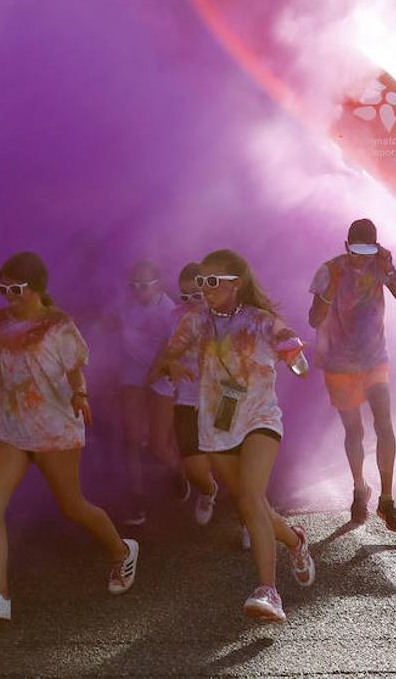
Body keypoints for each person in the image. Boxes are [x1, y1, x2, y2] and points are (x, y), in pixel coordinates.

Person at [0, 251, 138, 621]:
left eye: (15, 288)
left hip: (55, 427)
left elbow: (75, 370)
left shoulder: (59, 325)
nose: (8, 295)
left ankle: (122, 552)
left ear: (36, 289)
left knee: (72, 507)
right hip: (11, 428)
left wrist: (81, 395)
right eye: (2, 287)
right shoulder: (0, 320)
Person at [152, 249, 314, 622]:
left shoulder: (262, 321)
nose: (204, 289)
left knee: (252, 496)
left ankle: (268, 591)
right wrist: (172, 363)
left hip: (259, 418)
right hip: (218, 424)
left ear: (235, 284)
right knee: (246, 502)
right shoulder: (195, 322)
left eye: (212, 282)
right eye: (201, 282)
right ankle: (295, 540)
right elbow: (167, 354)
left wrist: (295, 358)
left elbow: (298, 361)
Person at [308, 219, 396, 532]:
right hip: (339, 364)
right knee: (354, 432)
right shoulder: (329, 270)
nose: (362, 257)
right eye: (356, 250)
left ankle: (388, 500)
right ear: (346, 246)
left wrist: (390, 268)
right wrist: (328, 292)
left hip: (375, 359)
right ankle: (359, 489)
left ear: (376, 247)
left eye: (369, 250)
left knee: (384, 424)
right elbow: (313, 319)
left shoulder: (380, 267)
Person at [108, 260, 188, 526]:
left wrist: (156, 371)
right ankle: (137, 499)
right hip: (132, 375)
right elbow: (109, 322)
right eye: (133, 286)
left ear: (159, 286)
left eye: (143, 286)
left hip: (160, 377)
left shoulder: (170, 312)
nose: (137, 291)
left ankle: (178, 471)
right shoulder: (125, 306)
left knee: (157, 445)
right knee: (131, 438)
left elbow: (172, 349)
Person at [162, 262, 221, 527]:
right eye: (183, 296)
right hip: (186, 398)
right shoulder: (174, 316)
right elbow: (167, 352)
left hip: (224, 398)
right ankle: (208, 491)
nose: (189, 302)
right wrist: (170, 364)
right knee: (195, 468)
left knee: (233, 464)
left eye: (195, 296)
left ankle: (249, 522)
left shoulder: (225, 315)